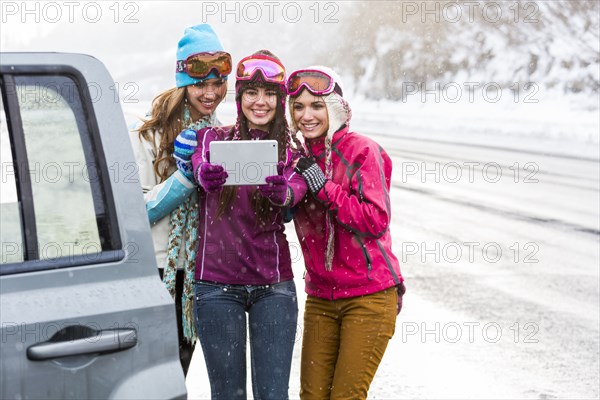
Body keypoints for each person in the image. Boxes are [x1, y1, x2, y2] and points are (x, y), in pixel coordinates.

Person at [183, 50, 307, 399]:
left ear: (280, 99)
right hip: (217, 286)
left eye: (270, 93)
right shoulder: (211, 139)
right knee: (228, 395)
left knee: (272, 395)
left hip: (274, 287)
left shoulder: (292, 151)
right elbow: (198, 164)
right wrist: (204, 176)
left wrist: (285, 193)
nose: (261, 102)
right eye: (251, 92)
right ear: (240, 97)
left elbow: (299, 187)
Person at [287, 66, 407, 399]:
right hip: (321, 297)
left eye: (316, 105)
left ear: (335, 107)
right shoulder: (295, 158)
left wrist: (323, 187)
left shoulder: (362, 151)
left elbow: (374, 220)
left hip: (368, 296)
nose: (306, 115)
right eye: (298, 107)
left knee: (345, 397)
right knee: (312, 397)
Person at [128, 23, 231, 376]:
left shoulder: (224, 138)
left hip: (201, 277)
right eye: (201, 83)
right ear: (183, 83)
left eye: (218, 84)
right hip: (159, 274)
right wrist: (185, 176)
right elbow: (136, 212)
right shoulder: (147, 136)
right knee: (149, 379)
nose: (210, 93)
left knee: (176, 378)